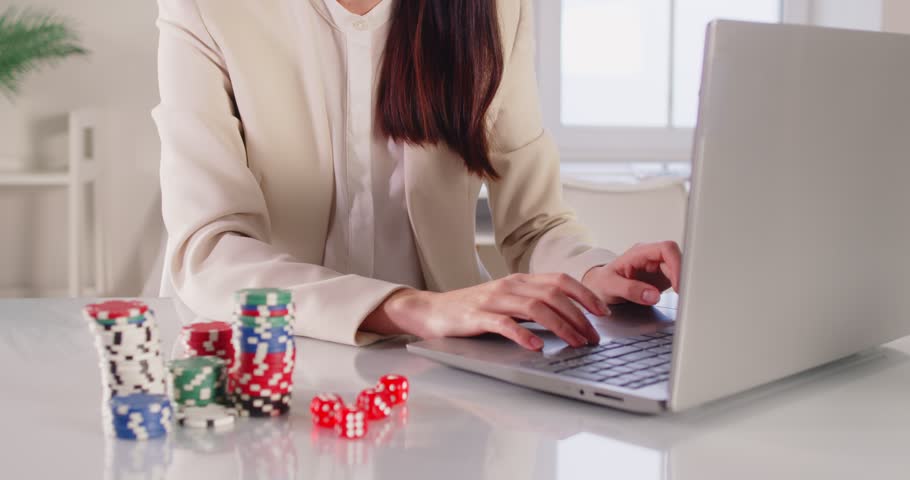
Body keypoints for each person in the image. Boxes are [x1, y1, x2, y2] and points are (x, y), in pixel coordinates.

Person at [154, 0, 682, 351]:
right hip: (272, 352)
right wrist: (410, 307)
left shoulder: (493, 9)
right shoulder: (207, 8)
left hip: (448, 365)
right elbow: (209, 249)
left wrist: (594, 276)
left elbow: (534, 225)